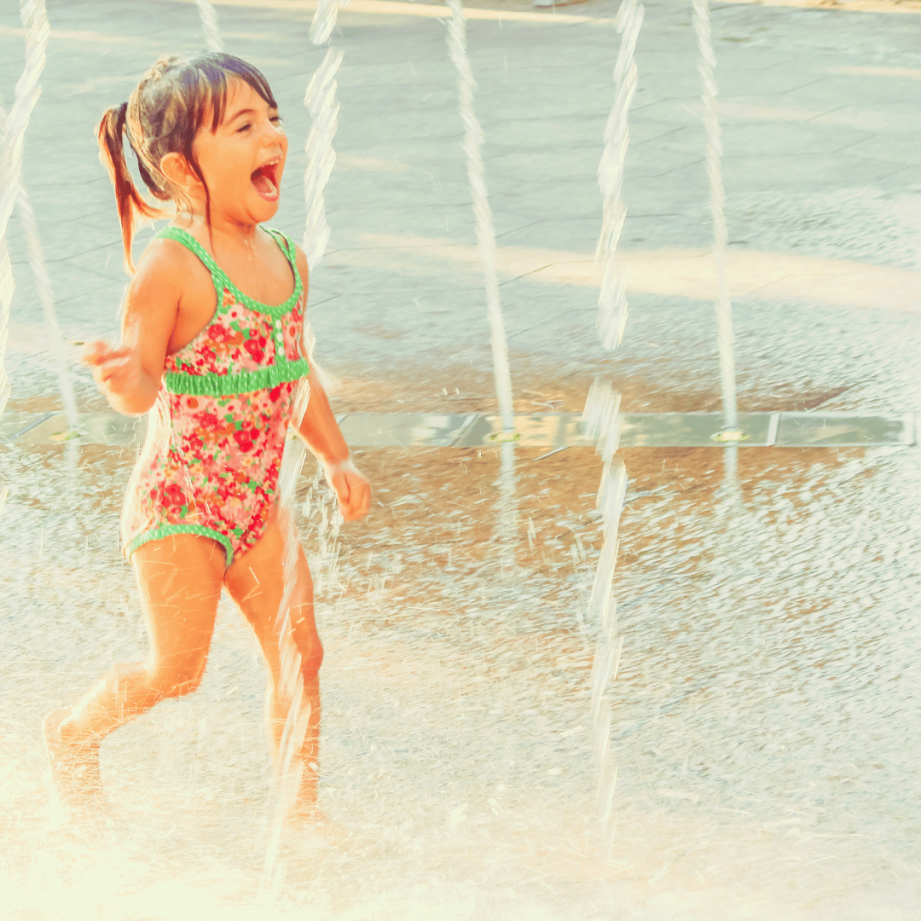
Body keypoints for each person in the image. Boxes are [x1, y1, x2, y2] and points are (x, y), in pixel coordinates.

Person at [42, 52, 370, 826]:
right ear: (184, 170)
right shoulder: (173, 267)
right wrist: (122, 373)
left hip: (259, 501)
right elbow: (142, 388)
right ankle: (70, 735)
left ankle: (300, 813)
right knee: (176, 669)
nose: (273, 139)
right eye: (244, 126)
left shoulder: (288, 259)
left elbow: (293, 371)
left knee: (301, 653)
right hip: (180, 504)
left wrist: (335, 453)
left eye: (274, 120)